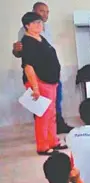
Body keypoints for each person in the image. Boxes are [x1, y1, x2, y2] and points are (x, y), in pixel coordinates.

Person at [13, 2, 73, 134]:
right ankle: (44, 139)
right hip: (40, 77)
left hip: (52, 75)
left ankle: (57, 128)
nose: (45, 14)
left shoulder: (47, 28)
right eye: (41, 11)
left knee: (56, 103)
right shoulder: (25, 32)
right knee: (42, 109)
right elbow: (22, 54)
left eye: (47, 12)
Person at [20, 12, 67, 155]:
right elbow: (28, 66)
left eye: (40, 22)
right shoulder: (27, 42)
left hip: (50, 82)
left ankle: (53, 141)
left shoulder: (41, 38)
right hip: (39, 82)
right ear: (27, 26)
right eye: (35, 23)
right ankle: (43, 146)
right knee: (42, 116)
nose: (39, 25)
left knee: (51, 114)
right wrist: (35, 87)